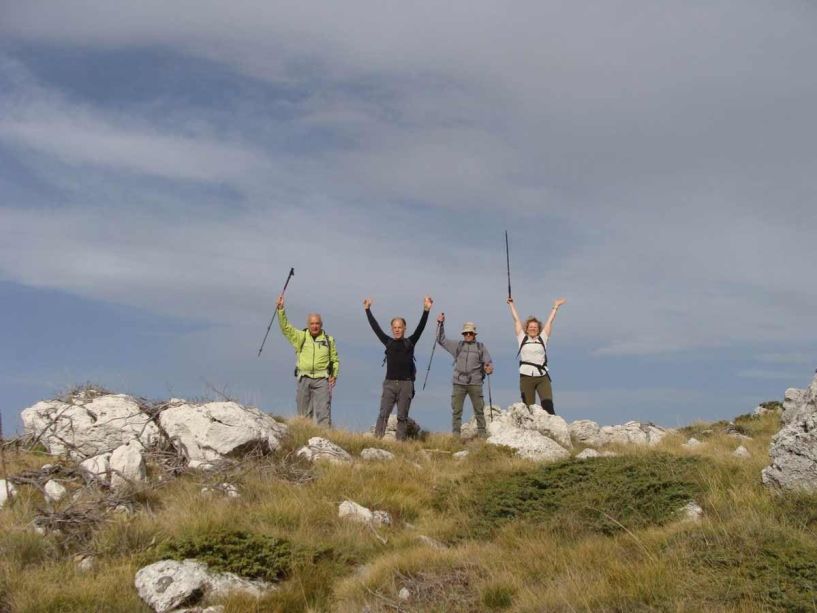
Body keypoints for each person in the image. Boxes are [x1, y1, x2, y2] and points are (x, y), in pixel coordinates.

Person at [364, 296, 433, 440]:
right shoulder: (388, 342)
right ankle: (378, 440)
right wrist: (367, 310)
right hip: (389, 383)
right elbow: (375, 327)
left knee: (402, 416)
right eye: (394, 327)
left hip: (406, 384)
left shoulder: (410, 342)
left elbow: (420, 327)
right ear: (392, 328)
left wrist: (426, 310)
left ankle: (400, 443)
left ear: (404, 328)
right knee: (383, 414)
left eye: (399, 327)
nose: (397, 330)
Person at [277, 295, 340, 427]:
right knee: (303, 414)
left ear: (321, 324)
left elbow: (334, 360)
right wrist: (281, 309)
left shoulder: (329, 340)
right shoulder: (301, 336)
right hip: (303, 378)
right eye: (312, 323)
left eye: (317, 323)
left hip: (322, 379)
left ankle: (324, 441)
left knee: (323, 413)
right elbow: (286, 329)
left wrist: (334, 375)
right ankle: (305, 438)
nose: (314, 326)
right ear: (308, 324)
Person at [436, 313, 494, 437]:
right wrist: (440, 324)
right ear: (463, 334)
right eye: (466, 333)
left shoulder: (480, 347)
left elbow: (488, 363)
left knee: (479, 411)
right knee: (456, 411)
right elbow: (441, 340)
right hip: (459, 382)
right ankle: (456, 437)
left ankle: (482, 437)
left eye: (470, 333)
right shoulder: (458, 345)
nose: (468, 335)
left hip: (476, 382)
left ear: (474, 334)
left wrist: (488, 368)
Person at [507, 296, 566, 414]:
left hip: (542, 376)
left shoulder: (543, 339)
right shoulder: (522, 338)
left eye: (535, 327)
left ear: (539, 329)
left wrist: (556, 307)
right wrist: (511, 305)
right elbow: (517, 320)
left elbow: (550, 321)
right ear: (527, 329)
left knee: (548, 405)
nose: (533, 328)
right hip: (526, 376)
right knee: (528, 407)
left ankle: (552, 429)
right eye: (530, 327)